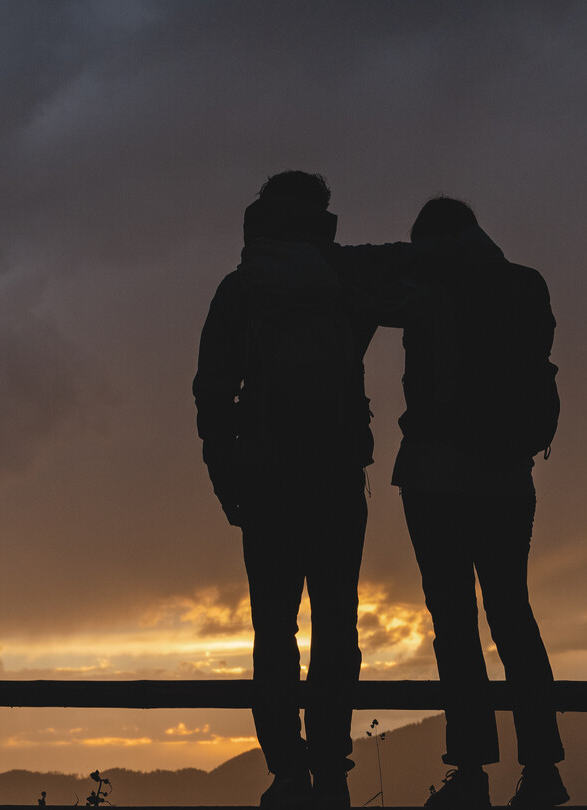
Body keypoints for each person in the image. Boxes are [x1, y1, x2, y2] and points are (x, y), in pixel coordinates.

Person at [193, 171, 376, 807]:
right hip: (336, 479)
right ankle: (332, 767)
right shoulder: (343, 285)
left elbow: (212, 391)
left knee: (274, 630)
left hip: (267, 479)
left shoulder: (241, 288)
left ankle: (288, 772)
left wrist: (226, 476)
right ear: (322, 215)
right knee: (337, 624)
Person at [388, 197, 567, 808]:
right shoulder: (525, 285)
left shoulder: (424, 290)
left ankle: (470, 773)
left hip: (435, 477)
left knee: (455, 626)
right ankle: (543, 770)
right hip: (508, 479)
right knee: (513, 615)